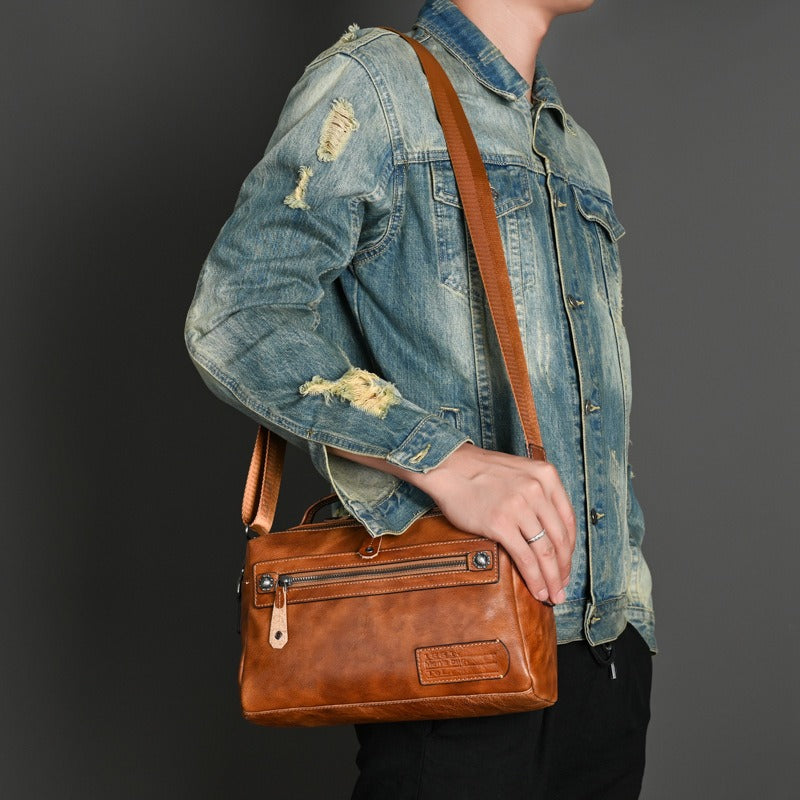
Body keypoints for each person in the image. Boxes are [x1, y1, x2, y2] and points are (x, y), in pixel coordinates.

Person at [184, 0, 657, 796]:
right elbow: (237, 313)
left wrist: (632, 616)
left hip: (606, 665)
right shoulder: (374, 88)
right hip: (457, 644)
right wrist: (447, 461)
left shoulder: (573, 148)